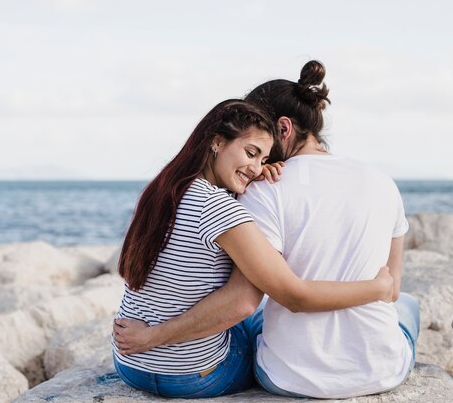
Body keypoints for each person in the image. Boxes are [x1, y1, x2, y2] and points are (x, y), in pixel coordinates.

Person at [114, 61, 420, 399]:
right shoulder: (384, 183)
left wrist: (150, 336)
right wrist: (378, 288)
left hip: (131, 363)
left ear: (283, 130)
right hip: (198, 373)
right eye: (252, 151)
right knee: (405, 304)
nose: (260, 167)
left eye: (263, 153)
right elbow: (386, 289)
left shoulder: (164, 190)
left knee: (258, 310)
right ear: (218, 142)